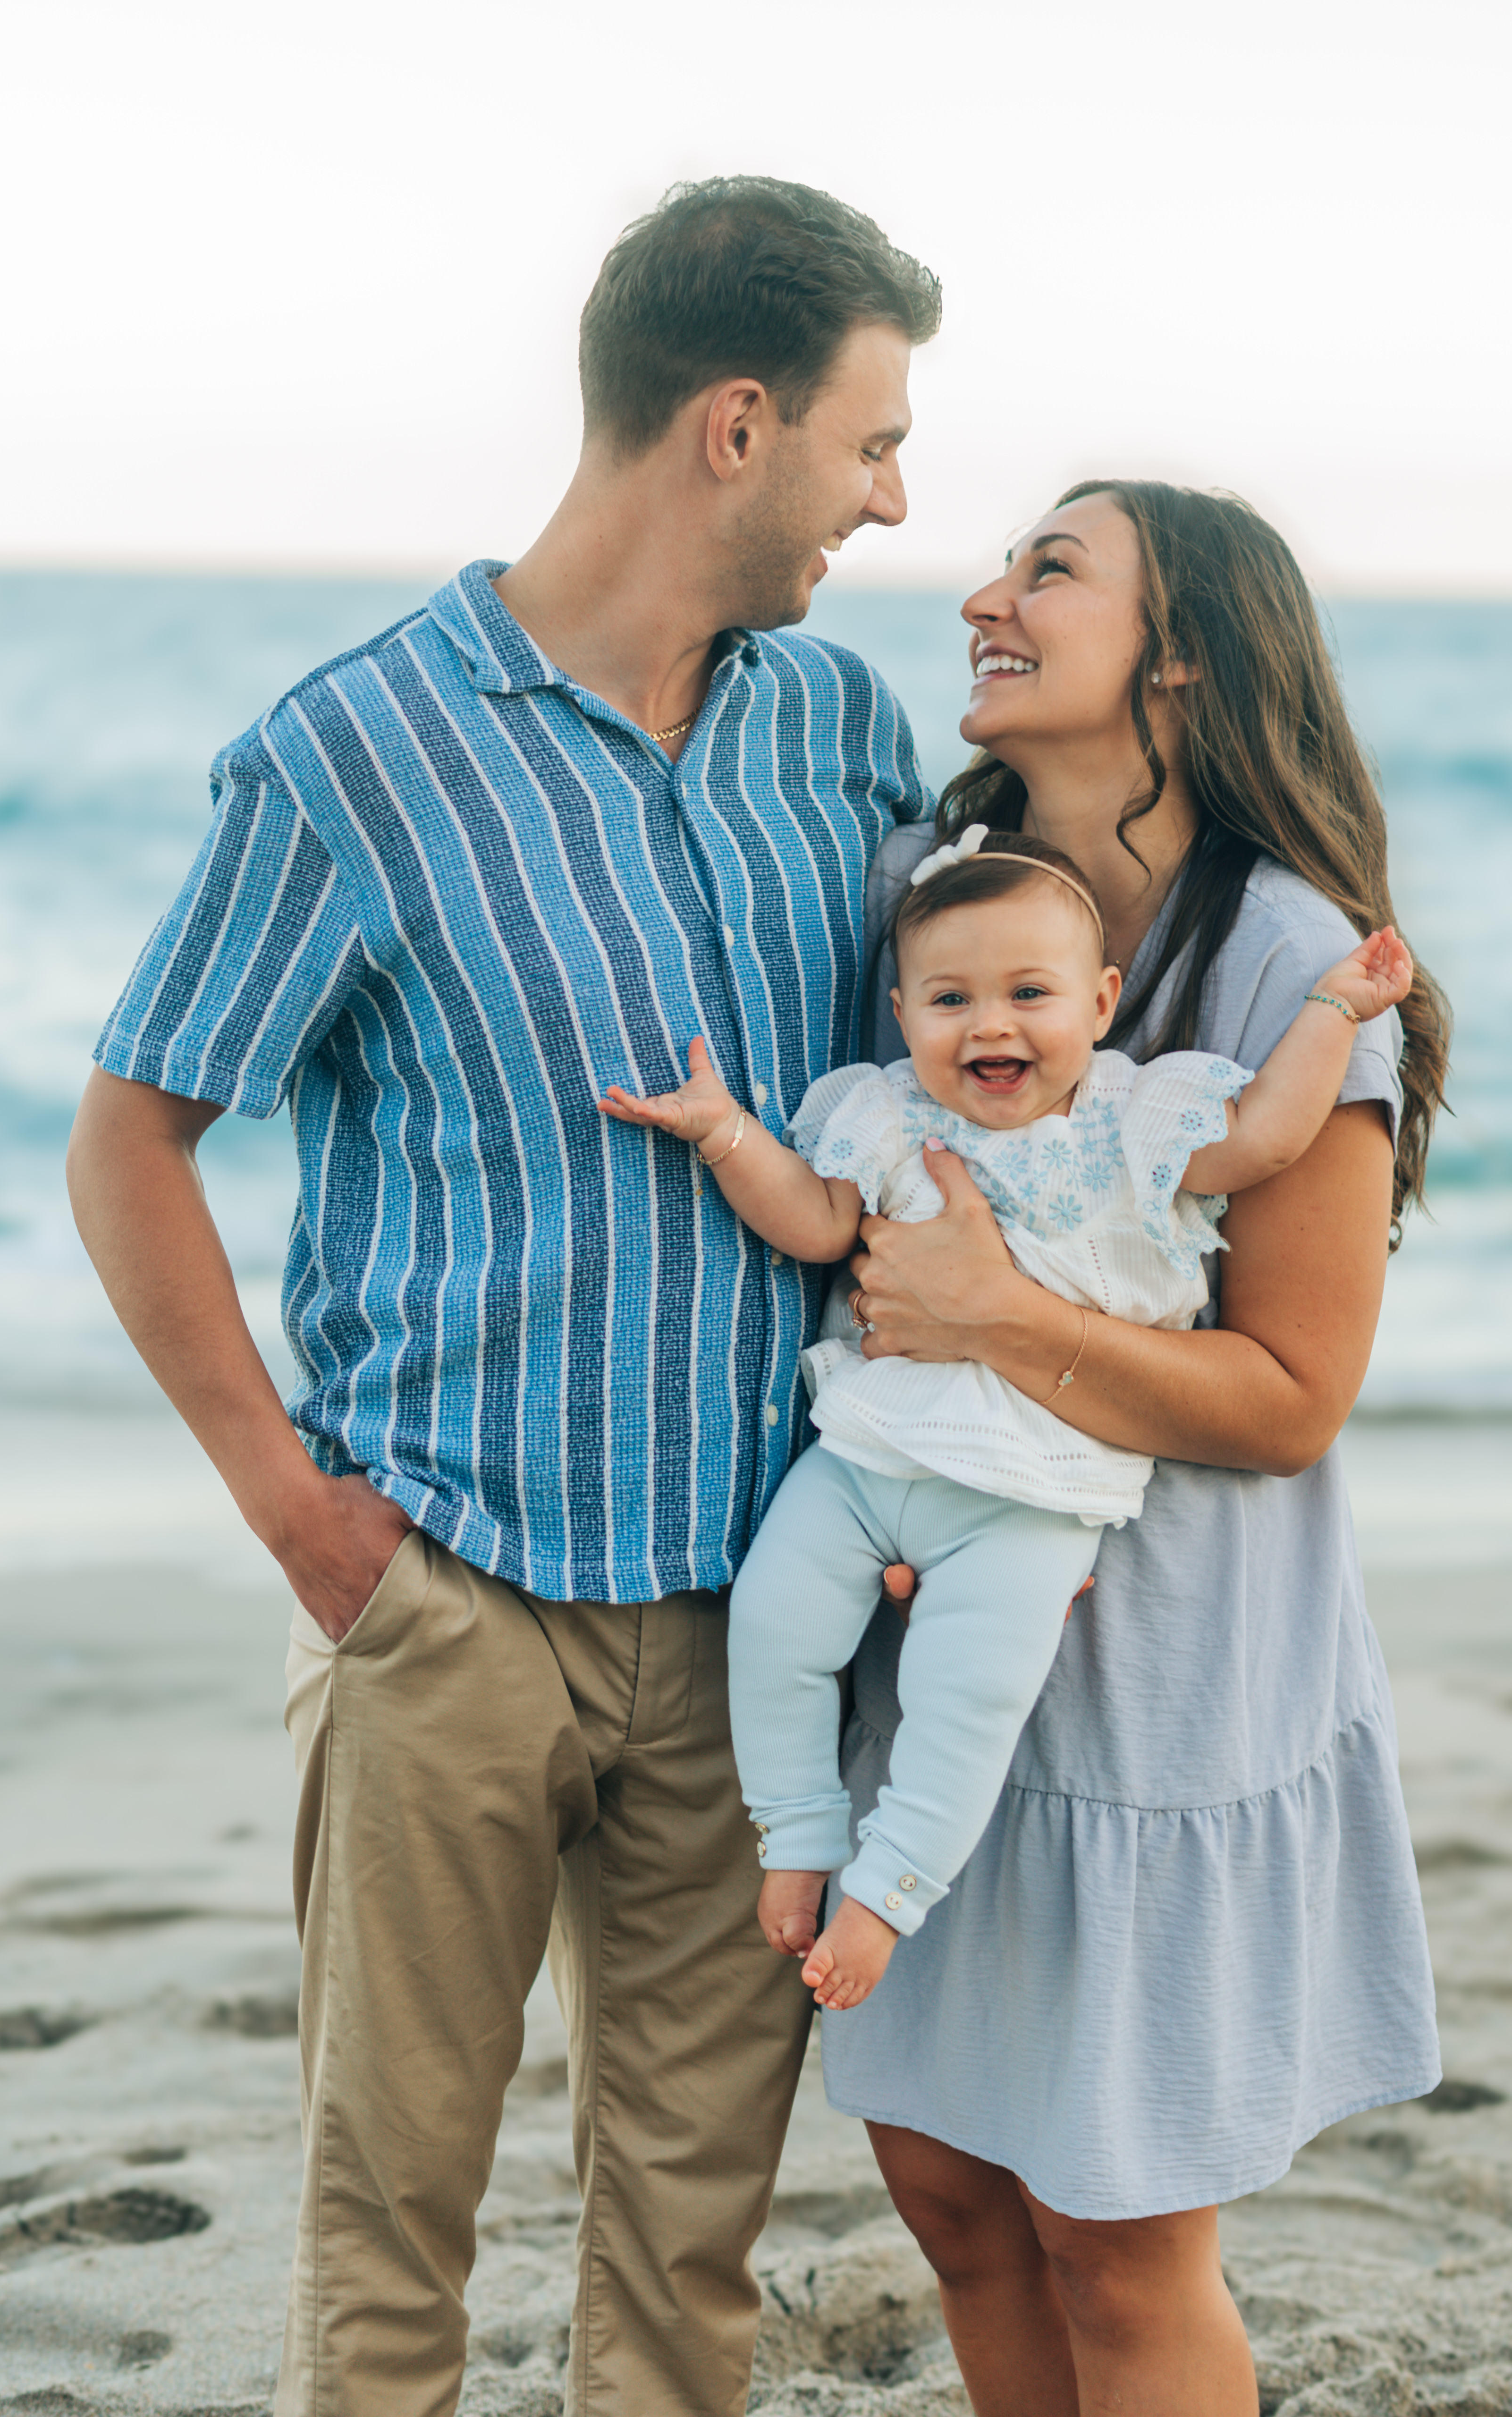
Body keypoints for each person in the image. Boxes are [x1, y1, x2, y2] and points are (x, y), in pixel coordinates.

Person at [64, 176, 942, 2417]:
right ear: (731, 426)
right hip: (444, 1595)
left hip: (758, 1621)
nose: (892, 492)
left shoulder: (836, 731)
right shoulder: (355, 752)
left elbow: (945, 1077)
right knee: (388, 2244)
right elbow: (132, 1132)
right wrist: (295, 1511)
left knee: (689, 2255)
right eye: (867, 438)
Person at [824, 482, 1452, 2417]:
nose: (983, 596)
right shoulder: (940, 893)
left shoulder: (1284, 955)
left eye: (1048, 572)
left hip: (1163, 1678)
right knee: (945, 2194)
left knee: (1111, 2235)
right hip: (936, 1653)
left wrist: (993, 1316)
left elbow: (1287, 1400)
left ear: (1177, 650)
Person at [602, 822, 1413, 2014]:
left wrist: (1334, 1012)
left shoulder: (1137, 1124)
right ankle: (796, 1831)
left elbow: (1265, 1138)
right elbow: (817, 1223)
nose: (988, 1025)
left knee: (967, 1698)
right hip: (872, 1450)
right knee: (773, 1624)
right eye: (948, 999)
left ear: (1098, 1002)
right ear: (903, 1011)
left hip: (1032, 1492)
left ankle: (887, 1894)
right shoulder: (886, 1118)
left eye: (1027, 994)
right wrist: (727, 1135)